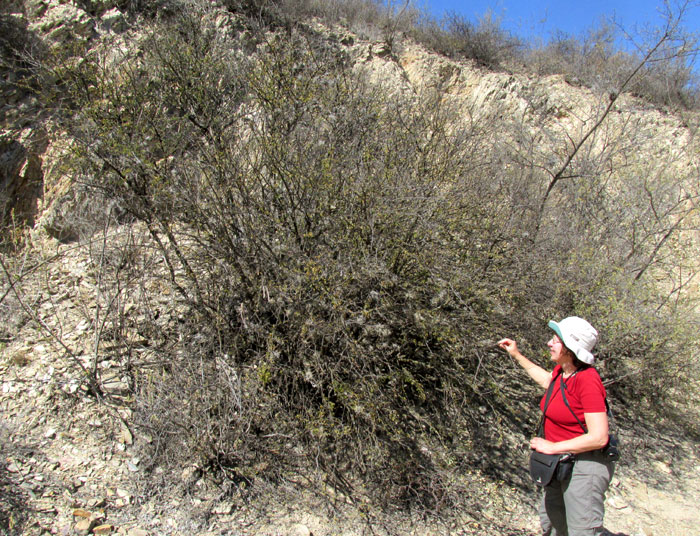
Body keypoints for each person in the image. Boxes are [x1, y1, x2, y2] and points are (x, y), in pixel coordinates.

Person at [498, 316, 614, 536]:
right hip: (559, 463)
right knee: (553, 524)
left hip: (584, 465)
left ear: (571, 347)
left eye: (555, 340)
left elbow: (599, 437)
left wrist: (552, 447)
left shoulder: (587, 380)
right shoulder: (563, 372)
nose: (549, 344)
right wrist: (516, 355)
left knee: (582, 530)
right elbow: (547, 382)